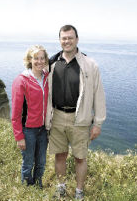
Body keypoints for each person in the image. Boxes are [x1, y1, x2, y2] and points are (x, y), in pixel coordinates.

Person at [45, 25, 106, 199]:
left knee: (80, 158)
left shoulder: (89, 64)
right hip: (56, 116)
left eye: (70, 38)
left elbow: (98, 94)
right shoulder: (51, 63)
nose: (67, 41)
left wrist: (98, 123)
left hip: (80, 118)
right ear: (60, 40)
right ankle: (61, 187)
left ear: (77, 39)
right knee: (60, 155)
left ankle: (79, 191)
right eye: (64, 38)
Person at [11, 45, 49, 189]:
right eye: (36, 58)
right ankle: (27, 189)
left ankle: (38, 186)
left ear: (45, 60)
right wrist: (19, 136)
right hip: (28, 131)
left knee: (41, 162)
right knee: (28, 163)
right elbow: (15, 113)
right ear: (29, 60)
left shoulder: (46, 78)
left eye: (42, 58)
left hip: (43, 129)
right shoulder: (21, 80)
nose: (39, 61)